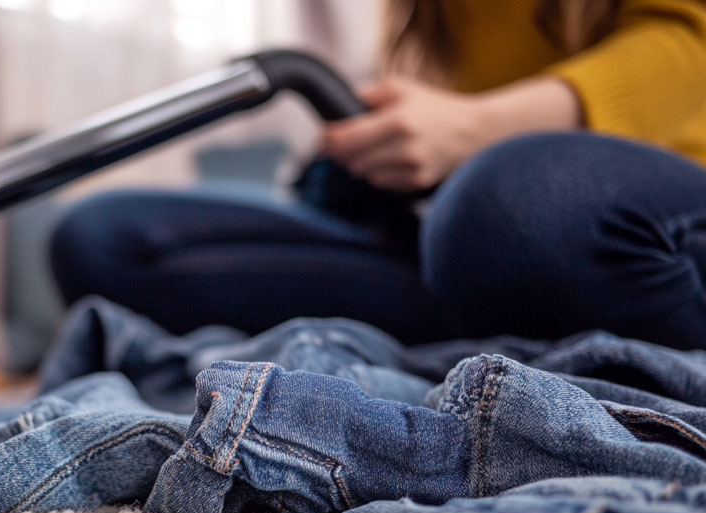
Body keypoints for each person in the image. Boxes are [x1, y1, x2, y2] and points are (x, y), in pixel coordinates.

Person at [48, 0, 706, 349]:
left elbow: (689, 40)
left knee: (515, 206)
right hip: (460, 233)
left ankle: (506, 284)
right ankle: (502, 310)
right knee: (99, 238)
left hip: (644, 219)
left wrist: (477, 128)